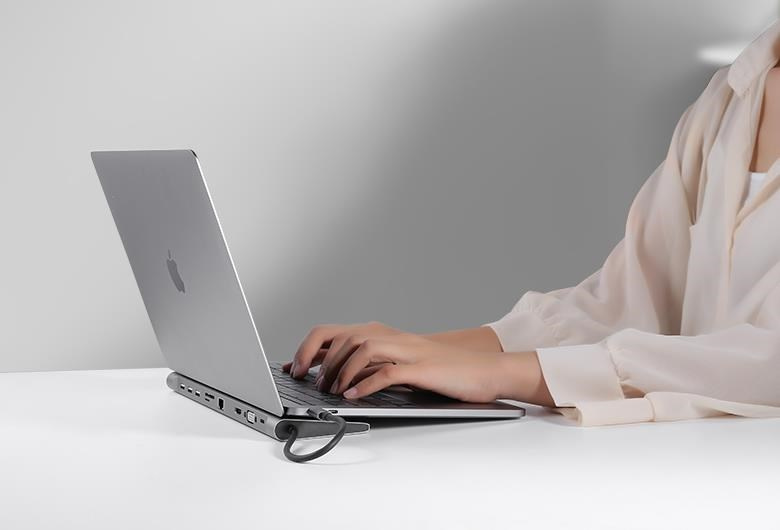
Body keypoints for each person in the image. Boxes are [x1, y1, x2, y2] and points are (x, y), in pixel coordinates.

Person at [284, 20, 780, 426]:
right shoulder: (732, 96)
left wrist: (500, 374)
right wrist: (420, 352)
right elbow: (630, 300)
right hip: (694, 469)